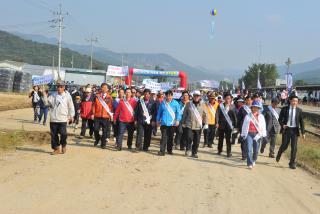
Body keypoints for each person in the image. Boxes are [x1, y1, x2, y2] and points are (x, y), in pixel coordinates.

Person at [43, 80, 75, 155]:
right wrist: (44, 95)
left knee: (63, 134)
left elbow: (71, 107)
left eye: (61, 87)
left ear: (64, 87)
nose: (59, 88)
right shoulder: (53, 95)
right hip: (53, 118)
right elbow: (46, 103)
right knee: (54, 135)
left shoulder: (67, 96)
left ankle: (63, 144)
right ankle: (56, 148)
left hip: (63, 118)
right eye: (58, 87)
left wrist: (71, 116)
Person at [276, 95, 305, 169]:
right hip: (287, 129)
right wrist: (283, 125)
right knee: (285, 145)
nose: (295, 102)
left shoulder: (299, 110)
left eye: (296, 101)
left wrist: (303, 132)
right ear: (290, 101)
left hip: (295, 130)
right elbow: (280, 119)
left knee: (294, 147)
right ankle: (279, 153)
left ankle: (292, 163)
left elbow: (302, 122)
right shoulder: (285, 109)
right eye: (293, 101)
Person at [241, 100, 267, 169]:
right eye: (254, 107)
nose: (255, 109)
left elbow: (263, 126)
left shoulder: (261, 116)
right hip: (249, 134)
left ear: (258, 109)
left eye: (257, 107)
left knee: (256, 150)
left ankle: (254, 159)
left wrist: (264, 135)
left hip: (257, 134)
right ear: (251, 108)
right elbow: (244, 125)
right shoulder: (248, 116)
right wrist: (243, 134)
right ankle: (249, 163)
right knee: (249, 149)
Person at [182, 91, 207, 158]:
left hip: (198, 126)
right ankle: (188, 149)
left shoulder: (203, 104)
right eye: (195, 96)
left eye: (197, 96)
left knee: (197, 141)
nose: (196, 97)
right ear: (193, 96)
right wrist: (183, 122)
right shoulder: (188, 104)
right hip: (189, 124)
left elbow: (205, 115)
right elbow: (185, 113)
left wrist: (205, 123)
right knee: (189, 138)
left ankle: (194, 152)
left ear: (200, 97)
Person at [156, 90, 181, 156]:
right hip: (164, 123)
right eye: (167, 95)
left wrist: (178, 120)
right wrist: (157, 120)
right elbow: (159, 113)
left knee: (170, 138)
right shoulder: (163, 103)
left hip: (172, 124)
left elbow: (178, 113)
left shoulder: (176, 103)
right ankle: (162, 151)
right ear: (165, 96)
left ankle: (169, 150)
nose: (169, 97)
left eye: (170, 95)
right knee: (163, 137)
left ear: (172, 96)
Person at [91, 83, 113, 149]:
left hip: (105, 116)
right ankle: (97, 139)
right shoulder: (97, 96)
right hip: (97, 116)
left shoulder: (110, 97)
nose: (103, 89)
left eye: (105, 88)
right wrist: (93, 113)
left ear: (107, 89)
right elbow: (93, 105)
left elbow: (110, 107)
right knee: (95, 129)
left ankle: (103, 144)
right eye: (102, 87)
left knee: (105, 131)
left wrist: (111, 115)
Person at [216, 93, 237, 157]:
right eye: (227, 98)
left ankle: (229, 152)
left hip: (229, 125)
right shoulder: (220, 105)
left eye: (229, 98)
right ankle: (219, 150)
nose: (228, 100)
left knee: (228, 139)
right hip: (221, 124)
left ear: (231, 99)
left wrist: (235, 125)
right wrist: (217, 122)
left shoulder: (233, 106)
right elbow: (217, 114)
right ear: (224, 99)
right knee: (221, 138)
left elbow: (234, 116)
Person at [238, 95, 253, 160]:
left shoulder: (254, 108)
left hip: (251, 127)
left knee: (250, 141)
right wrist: (238, 127)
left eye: (250, 100)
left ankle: (248, 153)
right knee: (243, 141)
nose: (249, 101)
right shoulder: (242, 108)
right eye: (247, 100)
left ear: (252, 101)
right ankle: (244, 155)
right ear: (245, 101)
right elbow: (239, 119)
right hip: (243, 127)